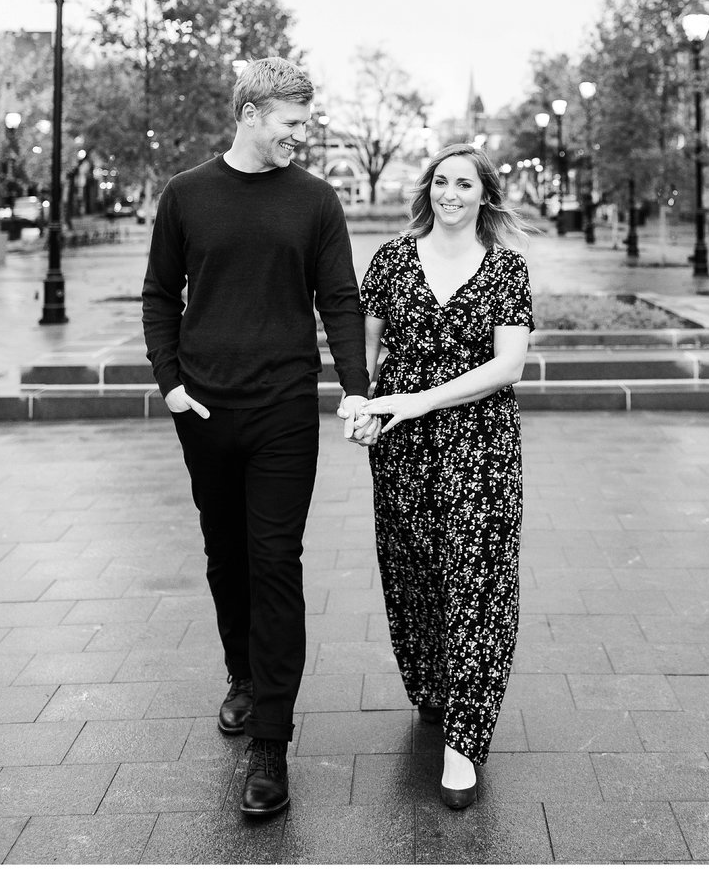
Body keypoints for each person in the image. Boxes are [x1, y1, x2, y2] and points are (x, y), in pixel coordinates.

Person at [142, 57, 375, 819]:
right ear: (250, 112)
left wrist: (356, 388)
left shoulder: (314, 202)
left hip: (282, 410)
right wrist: (171, 383)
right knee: (225, 555)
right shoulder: (186, 195)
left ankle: (271, 743)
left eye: (306, 124)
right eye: (292, 124)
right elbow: (158, 294)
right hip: (205, 411)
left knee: (275, 562)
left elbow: (339, 299)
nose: (301, 138)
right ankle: (241, 677)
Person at [352, 142, 534, 809]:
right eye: (440, 180)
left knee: (478, 578)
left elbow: (507, 365)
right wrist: (361, 403)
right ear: (427, 189)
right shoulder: (393, 260)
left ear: (484, 194)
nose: (450, 192)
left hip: (481, 444)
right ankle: (433, 686)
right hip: (401, 447)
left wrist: (419, 399)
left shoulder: (507, 270)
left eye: (464, 182)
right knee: (416, 571)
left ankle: (466, 739)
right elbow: (360, 349)